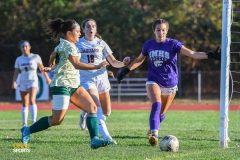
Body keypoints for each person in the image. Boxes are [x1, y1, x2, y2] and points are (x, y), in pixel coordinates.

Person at [117, 18, 221, 146]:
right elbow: (139, 60)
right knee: (156, 105)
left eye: (163, 30)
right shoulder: (148, 45)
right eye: (158, 30)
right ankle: (154, 135)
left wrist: (209, 55)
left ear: (167, 31)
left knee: (161, 113)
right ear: (154, 31)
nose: (161, 33)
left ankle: (153, 127)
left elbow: (192, 54)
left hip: (170, 83)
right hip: (153, 79)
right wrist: (126, 70)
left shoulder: (173, 44)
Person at [21, 18, 111, 149]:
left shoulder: (63, 44)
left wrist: (51, 65)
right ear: (69, 33)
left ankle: (94, 139)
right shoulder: (69, 46)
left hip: (74, 84)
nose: (79, 34)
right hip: (61, 85)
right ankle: (27, 130)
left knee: (92, 108)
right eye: (77, 31)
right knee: (56, 120)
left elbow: (54, 54)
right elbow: (76, 64)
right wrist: (96, 66)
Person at [75, 18, 131, 144]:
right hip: (86, 79)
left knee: (106, 112)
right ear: (83, 30)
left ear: (96, 29)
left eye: (93, 26)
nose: (91, 29)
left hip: (102, 79)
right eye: (88, 27)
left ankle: (84, 113)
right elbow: (73, 62)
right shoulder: (78, 44)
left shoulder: (101, 43)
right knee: (97, 109)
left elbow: (113, 62)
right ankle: (107, 138)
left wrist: (123, 63)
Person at [12, 40, 51, 126]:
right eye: (23, 47)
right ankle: (24, 123)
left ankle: (33, 122)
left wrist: (47, 78)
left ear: (29, 47)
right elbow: (16, 72)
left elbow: (42, 69)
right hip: (22, 81)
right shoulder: (19, 59)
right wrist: (14, 82)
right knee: (24, 103)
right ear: (21, 49)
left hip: (33, 81)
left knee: (32, 100)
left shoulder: (35, 57)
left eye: (26, 46)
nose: (24, 48)